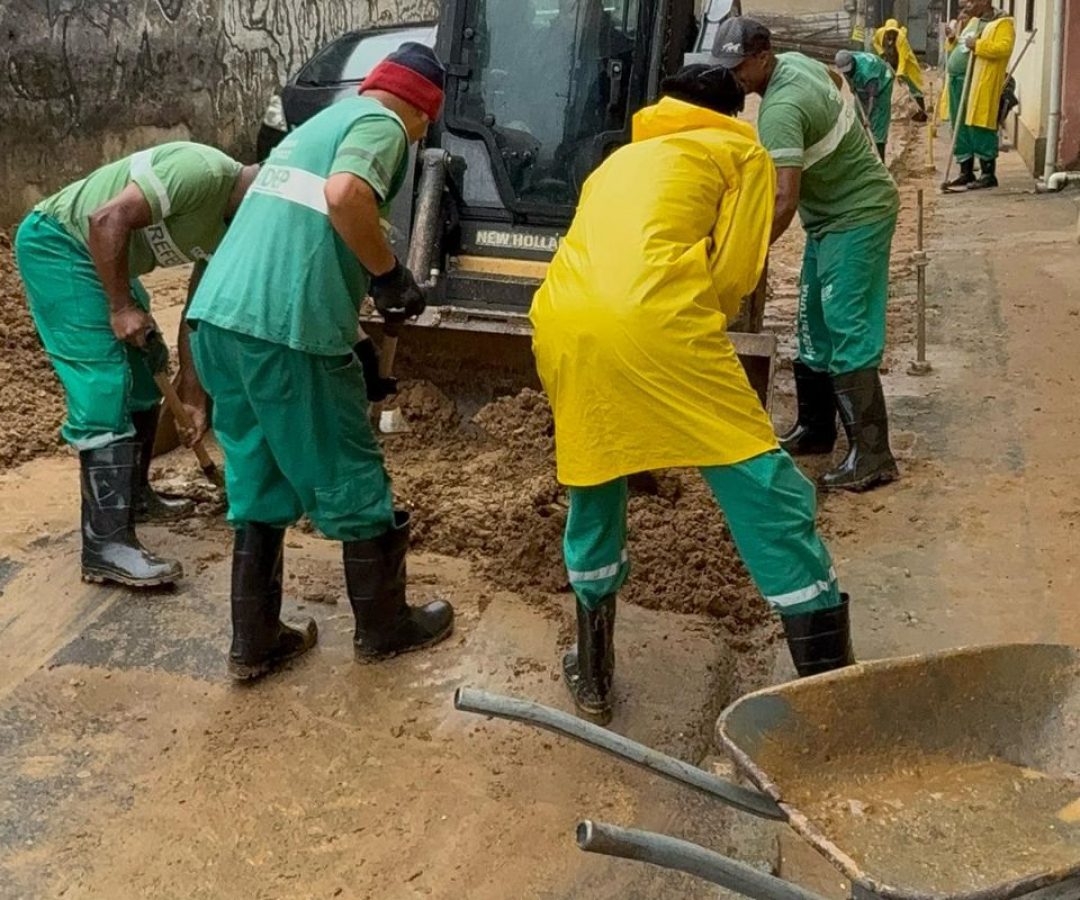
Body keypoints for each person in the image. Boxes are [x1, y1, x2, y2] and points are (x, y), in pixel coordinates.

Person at [530, 64, 855, 725]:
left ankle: (591, 673)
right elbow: (736, 270)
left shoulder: (618, 161)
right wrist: (697, 319)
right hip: (657, 322)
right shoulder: (741, 151)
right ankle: (831, 694)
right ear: (734, 113)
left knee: (595, 481)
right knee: (767, 487)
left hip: (560, 320)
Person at [186, 43, 454, 681]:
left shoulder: (314, 127)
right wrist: (388, 275)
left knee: (258, 477)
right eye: (426, 126)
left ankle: (254, 642)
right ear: (424, 112)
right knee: (347, 470)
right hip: (285, 333)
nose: (418, 137)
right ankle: (385, 627)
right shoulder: (383, 124)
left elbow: (300, 236)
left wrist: (355, 343)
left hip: (217, 321)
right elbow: (344, 197)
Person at [14, 143, 258, 588]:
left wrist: (192, 391)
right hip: (59, 243)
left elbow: (198, 308)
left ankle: (134, 496)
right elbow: (105, 219)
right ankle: (105, 545)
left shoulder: (236, 230)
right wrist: (120, 305)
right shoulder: (200, 172)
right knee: (104, 381)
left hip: (107, 259)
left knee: (148, 368)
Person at [711, 17, 900, 493]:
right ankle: (817, 429)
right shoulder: (797, 64)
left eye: (740, 68)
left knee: (845, 322)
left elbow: (783, 200)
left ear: (763, 57)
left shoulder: (779, 110)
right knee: (812, 322)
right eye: (727, 67)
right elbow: (836, 83)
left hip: (858, 214)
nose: (734, 77)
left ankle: (874, 455)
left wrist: (746, 257)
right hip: (830, 217)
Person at [941, 0, 1016, 190]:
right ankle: (965, 171)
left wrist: (979, 45)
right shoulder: (974, 22)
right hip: (958, 81)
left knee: (979, 124)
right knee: (960, 126)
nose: (966, 4)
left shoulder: (1003, 23)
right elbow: (960, 45)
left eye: (971, 1)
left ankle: (987, 173)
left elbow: (1003, 48)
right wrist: (952, 39)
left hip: (979, 82)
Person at [835, 49, 895, 161]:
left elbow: (872, 97)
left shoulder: (868, 73)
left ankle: (880, 161)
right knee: (858, 117)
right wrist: (851, 86)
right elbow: (846, 75)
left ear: (852, 63)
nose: (846, 73)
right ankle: (862, 154)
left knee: (878, 122)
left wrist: (868, 117)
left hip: (881, 85)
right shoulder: (847, 59)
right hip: (865, 82)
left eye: (848, 71)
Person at [874, 18, 928, 122]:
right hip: (890, 64)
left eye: (893, 32)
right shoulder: (880, 33)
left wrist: (900, 74)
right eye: (889, 31)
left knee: (914, 87)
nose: (891, 34)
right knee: (885, 83)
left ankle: (922, 113)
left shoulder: (901, 38)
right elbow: (875, 42)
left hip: (907, 67)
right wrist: (881, 52)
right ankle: (884, 110)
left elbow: (903, 58)